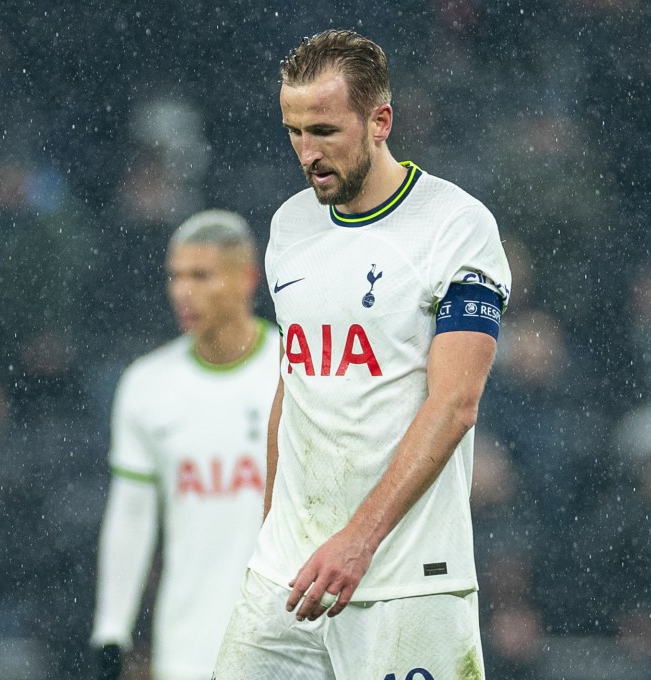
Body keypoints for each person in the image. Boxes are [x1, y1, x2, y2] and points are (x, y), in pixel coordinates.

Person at [213, 29, 511, 679]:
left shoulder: (456, 228)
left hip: (407, 583)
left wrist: (357, 541)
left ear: (380, 122)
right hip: (287, 580)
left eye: (323, 130)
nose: (306, 152)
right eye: (293, 131)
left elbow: (456, 403)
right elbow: (294, 386)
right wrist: (272, 534)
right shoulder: (290, 226)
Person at [90, 209, 280, 680]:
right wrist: (112, 627)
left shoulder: (295, 370)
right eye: (175, 276)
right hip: (188, 647)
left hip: (290, 642)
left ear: (246, 279)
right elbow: (131, 514)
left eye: (201, 275)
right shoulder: (147, 385)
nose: (182, 291)